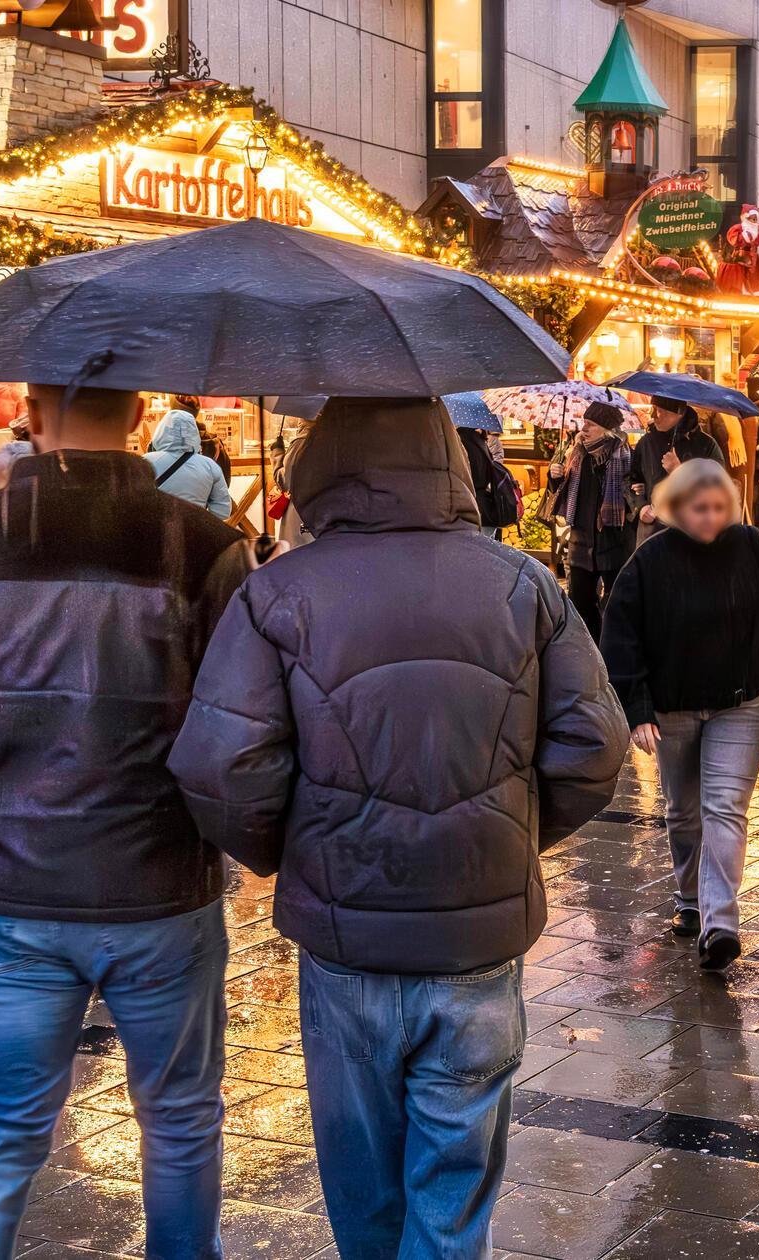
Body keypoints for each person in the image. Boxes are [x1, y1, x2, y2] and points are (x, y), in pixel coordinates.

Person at [169, 399, 626, 1260]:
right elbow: (595, 747)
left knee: (364, 1184)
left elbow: (221, 764)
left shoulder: (280, 591)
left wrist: (291, 852)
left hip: (346, 932)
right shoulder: (521, 583)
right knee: (452, 1188)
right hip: (476, 935)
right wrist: (505, 836)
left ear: (323, 465)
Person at [0, 384, 251, 1260]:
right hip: (161, 887)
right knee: (180, 1121)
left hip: (13, 884)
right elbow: (238, 733)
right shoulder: (202, 544)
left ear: (34, 412)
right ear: (137, 417)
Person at [601, 460, 759, 970]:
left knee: (725, 808)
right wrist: (638, 710)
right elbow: (620, 638)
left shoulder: (750, 546)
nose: (711, 518)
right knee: (683, 810)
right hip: (671, 707)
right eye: (699, 509)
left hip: (740, 703)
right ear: (676, 508)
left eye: (719, 508)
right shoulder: (650, 560)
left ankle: (720, 924)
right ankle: (690, 898)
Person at [549, 402, 638, 640]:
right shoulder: (576, 454)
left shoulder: (625, 456)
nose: (584, 429)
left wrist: (633, 489)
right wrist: (555, 477)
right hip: (581, 541)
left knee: (616, 604)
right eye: (584, 423)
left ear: (607, 430)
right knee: (580, 605)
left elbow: (633, 498)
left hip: (614, 542)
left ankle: (610, 649)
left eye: (591, 424)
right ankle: (589, 650)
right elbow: (562, 493)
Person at [632, 398, 725, 543]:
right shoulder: (646, 442)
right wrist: (640, 506)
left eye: (659, 411)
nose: (653, 416)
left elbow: (717, 489)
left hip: (692, 534)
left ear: (679, 414)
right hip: (652, 534)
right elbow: (632, 479)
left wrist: (678, 470)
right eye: (652, 409)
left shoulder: (706, 445)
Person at [144, 408, 234, 518]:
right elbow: (222, 510)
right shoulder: (210, 466)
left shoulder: (144, 463)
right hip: (196, 526)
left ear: (161, 432)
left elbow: (133, 500)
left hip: (158, 526)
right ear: (194, 433)